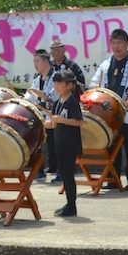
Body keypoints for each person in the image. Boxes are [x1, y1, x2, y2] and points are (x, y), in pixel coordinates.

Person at [88, 29, 128, 191]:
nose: (116, 47)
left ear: (127, 44)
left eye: (120, 43)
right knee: (110, 148)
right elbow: (94, 85)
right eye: (114, 43)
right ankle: (112, 179)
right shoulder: (105, 65)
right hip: (108, 115)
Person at [46, 70, 84, 217]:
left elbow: (79, 121)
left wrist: (62, 120)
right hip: (60, 144)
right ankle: (69, 204)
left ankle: (72, 206)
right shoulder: (57, 102)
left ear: (69, 85)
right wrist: (41, 123)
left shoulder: (72, 102)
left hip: (70, 145)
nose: (56, 86)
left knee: (68, 176)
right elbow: (54, 123)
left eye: (59, 83)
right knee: (64, 176)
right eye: (55, 83)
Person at [25, 49, 56, 181]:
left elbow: (55, 98)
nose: (35, 64)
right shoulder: (37, 79)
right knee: (35, 143)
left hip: (53, 116)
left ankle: (58, 171)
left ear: (45, 61)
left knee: (55, 145)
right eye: (34, 61)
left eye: (37, 61)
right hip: (39, 116)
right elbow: (30, 97)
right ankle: (39, 170)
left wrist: (44, 100)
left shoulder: (56, 77)